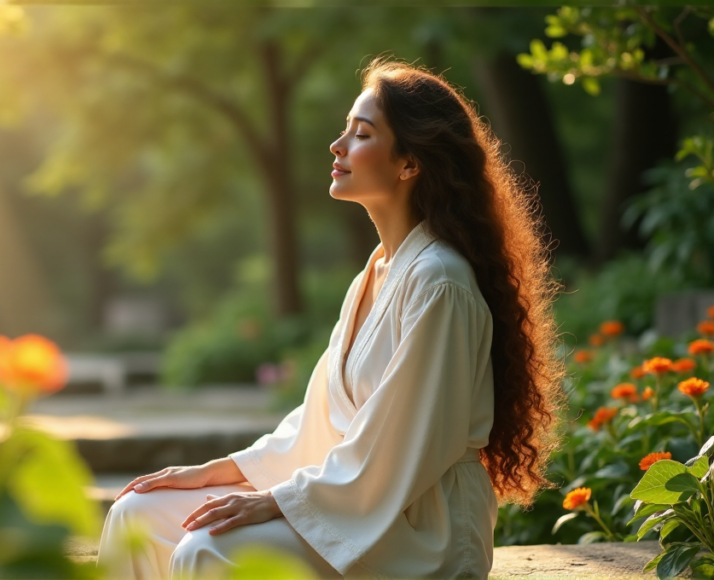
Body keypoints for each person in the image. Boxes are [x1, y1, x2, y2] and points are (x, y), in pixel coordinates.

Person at [96, 56, 566, 580]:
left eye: (360, 134)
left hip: (419, 530)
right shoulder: (378, 270)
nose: (336, 146)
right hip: (351, 497)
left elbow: (399, 445)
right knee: (136, 514)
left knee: (208, 549)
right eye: (344, 130)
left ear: (410, 164)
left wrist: (280, 501)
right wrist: (224, 472)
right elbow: (321, 421)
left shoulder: (440, 281)